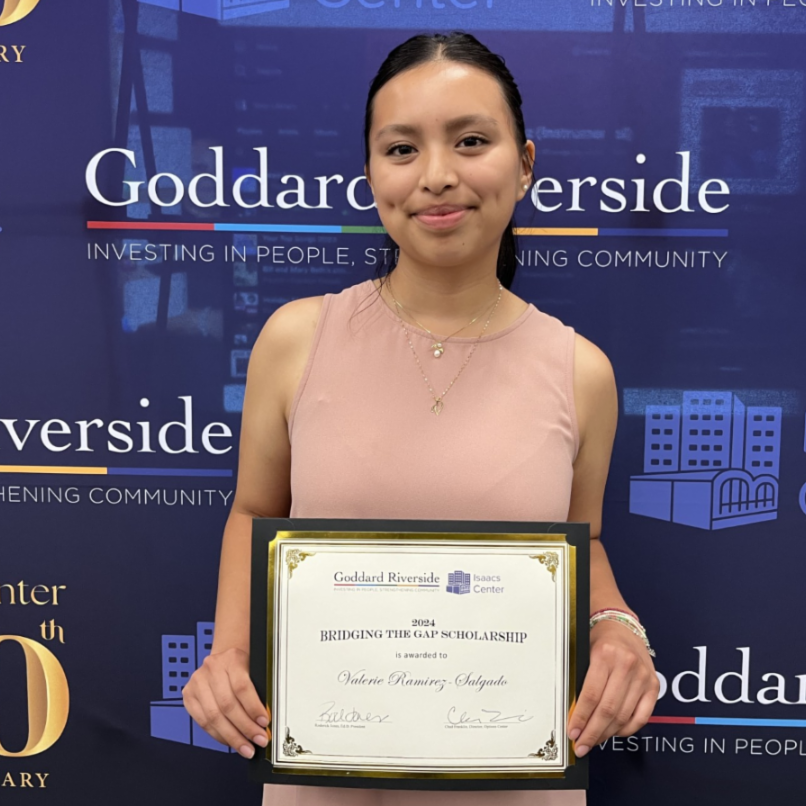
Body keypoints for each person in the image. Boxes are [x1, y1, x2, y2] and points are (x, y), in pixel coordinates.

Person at [182, 31, 660, 806]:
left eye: (472, 141)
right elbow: (255, 513)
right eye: (401, 149)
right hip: (322, 776)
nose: (437, 177)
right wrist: (231, 650)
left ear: (526, 163)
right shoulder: (296, 340)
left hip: (514, 782)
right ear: (372, 172)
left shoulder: (583, 371)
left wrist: (617, 629)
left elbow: (581, 544)